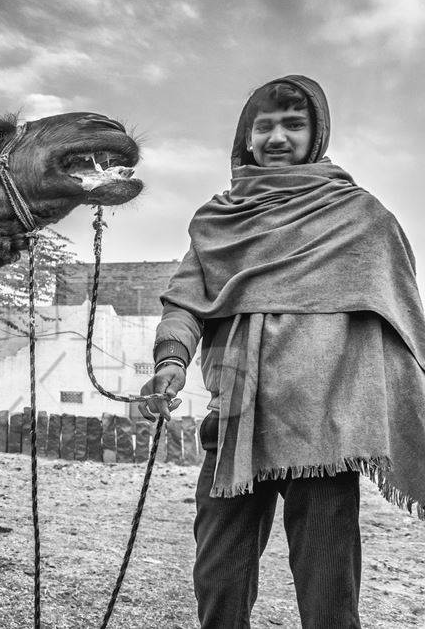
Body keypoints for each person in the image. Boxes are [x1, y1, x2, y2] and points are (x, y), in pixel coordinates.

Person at [140, 75, 425, 629]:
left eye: (293, 124)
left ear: (316, 135)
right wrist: (170, 362)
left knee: (328, 593)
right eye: (263, 125)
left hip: (325, 430)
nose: (276, 136)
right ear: (245, 138)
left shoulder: (360, 218)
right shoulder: (220, 221)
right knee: (218, 580)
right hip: (236, 423)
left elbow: (399, 317)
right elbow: (185, 302)